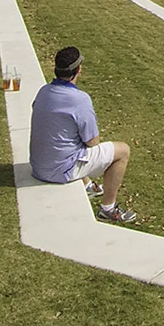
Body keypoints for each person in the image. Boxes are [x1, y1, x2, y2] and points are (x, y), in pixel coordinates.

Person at [29, 47, 136, 223]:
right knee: (123, 151)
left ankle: (88, 186)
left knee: (71, 140)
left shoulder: (43, 91)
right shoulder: (80, 99)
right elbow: (93, 141)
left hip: (39, 165)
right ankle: (108, 208)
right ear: (78, 70)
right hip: (59, 170)